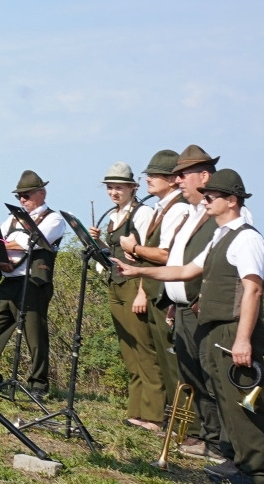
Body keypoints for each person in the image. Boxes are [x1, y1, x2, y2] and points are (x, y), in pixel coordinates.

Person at [118, 169, 264, 484]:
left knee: (246, 403)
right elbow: (186, 270)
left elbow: (253, 290)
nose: (205, 201)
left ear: (232, 200)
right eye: (205, 196)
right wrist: (138, 272)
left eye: (212, 196)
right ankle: (238, 462)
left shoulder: (247, 238)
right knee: (224, 400)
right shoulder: (220, 236)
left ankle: (260, 472)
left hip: (233, 330)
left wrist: (243, 339)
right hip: (213, 330)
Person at [151, 144, 232, 462]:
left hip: (205, 310)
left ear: (204, 176)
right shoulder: (194, 213)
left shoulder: (226, 214)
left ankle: (222, 444)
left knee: (212, 377)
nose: (178, 180)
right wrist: (174, 299)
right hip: (184, 308)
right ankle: (205, 437)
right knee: (192, 375)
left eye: (183, 175)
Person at [0, 169, 67, 395]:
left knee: (34, 335)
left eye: (26, 195)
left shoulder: (53, 219)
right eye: (19, 196)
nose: (22, 200)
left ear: (42, 193)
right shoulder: (13, 218)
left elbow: (29, 243)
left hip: (33, 281)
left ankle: (38, 384)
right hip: (9, 280)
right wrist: (0, 259)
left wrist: (3, 245)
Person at [94, 161, 165, 430]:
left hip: (135, 285)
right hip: (116, 284)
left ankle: (154, 415)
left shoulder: (142, 213)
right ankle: (137, 410)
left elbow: (148, 256)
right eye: (110, 187)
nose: (114, 192)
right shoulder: (115, 216)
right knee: (129, 350)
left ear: (133, 188)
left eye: (119, 188)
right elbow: (113, 255)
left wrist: (143, 293)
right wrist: (98, 242)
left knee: (144, 349)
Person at [118, 149, 185, 425]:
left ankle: (182, 425)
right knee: (164, 360)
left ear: (173, 179)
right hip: (156, 288)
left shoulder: (177, 208)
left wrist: (135, 248)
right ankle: (172, 421)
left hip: (166, 291)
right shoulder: (162, 207)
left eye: (156, 174)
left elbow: (166, 254)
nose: (148, 178)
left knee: (171, 362)